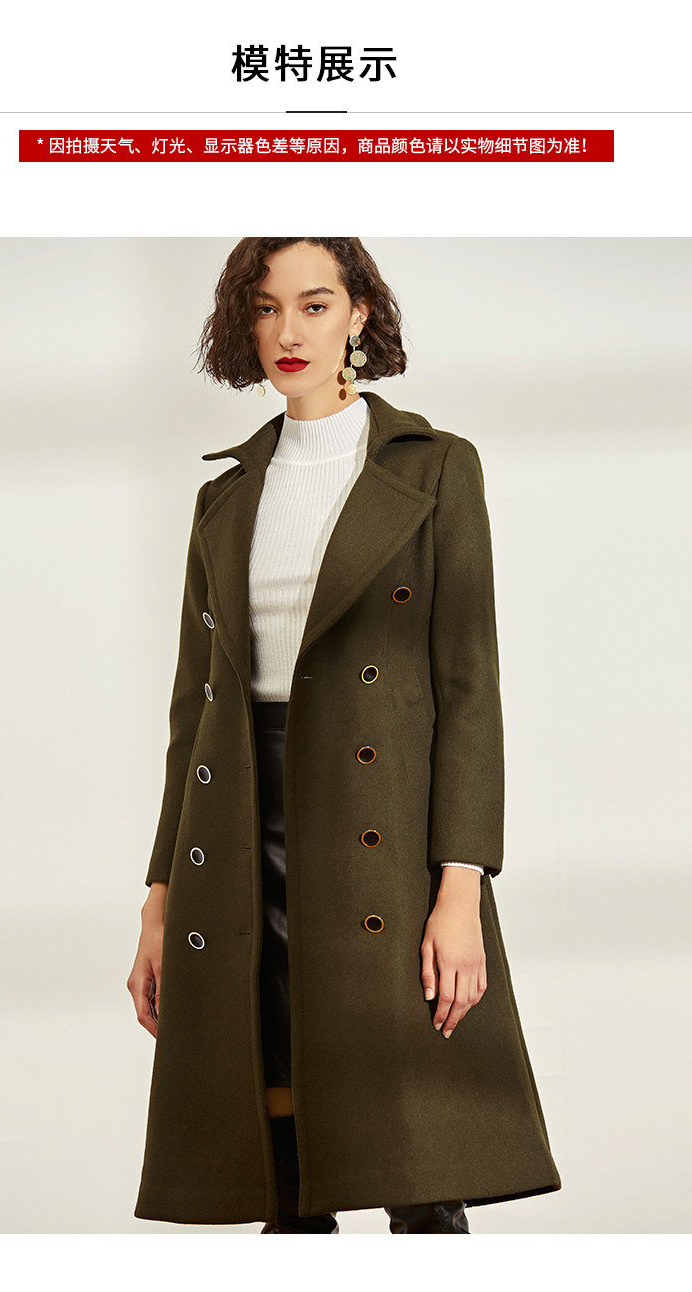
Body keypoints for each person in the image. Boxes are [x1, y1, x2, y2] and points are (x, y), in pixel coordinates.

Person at [127, 237, 561, 1233]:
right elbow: (194, 712)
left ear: (360, 313)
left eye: (314, 304)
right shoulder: (225, 495)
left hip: (381, 836)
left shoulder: (436, 468)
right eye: (265, 307)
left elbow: (469, 690)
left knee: (418, 1161)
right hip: (242, 836)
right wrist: (160, 897)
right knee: (279, 1162)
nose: (288, 331)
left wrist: (462, 886)